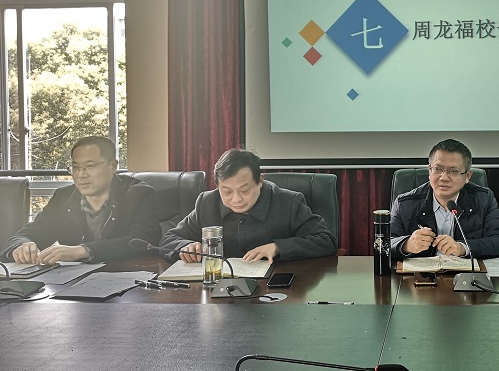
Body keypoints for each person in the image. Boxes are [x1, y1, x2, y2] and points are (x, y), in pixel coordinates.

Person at [0, 136, 160, 264]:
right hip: (74, 283)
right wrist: (22, 246)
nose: (81, 175)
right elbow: (24, 235)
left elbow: (144, 241)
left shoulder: (138, 194)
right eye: (76, 167)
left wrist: (83, 250)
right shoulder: (63, 197)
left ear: (113, 166)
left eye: (90, 166)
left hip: (128, 279)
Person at [160, 149, 336, 263]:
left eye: (244, 190)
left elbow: (325, 240)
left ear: (260, 181)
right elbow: (169, 238)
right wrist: (185, 246)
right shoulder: (206, 202)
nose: (236, 199)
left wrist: (278, 248)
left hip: (274, 292)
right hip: (218, 291)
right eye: (227, 191)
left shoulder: (288, 202)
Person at [390, 138, 499, 259]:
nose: (444, 178)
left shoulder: (484, 199)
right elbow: (385, 243)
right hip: (421, 272)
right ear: (429, 171)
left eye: (453, 171)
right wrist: (407, 245)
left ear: (467, 176)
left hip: (467, 271)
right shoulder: (404, 203)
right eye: (438, 169)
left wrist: (462, 248)